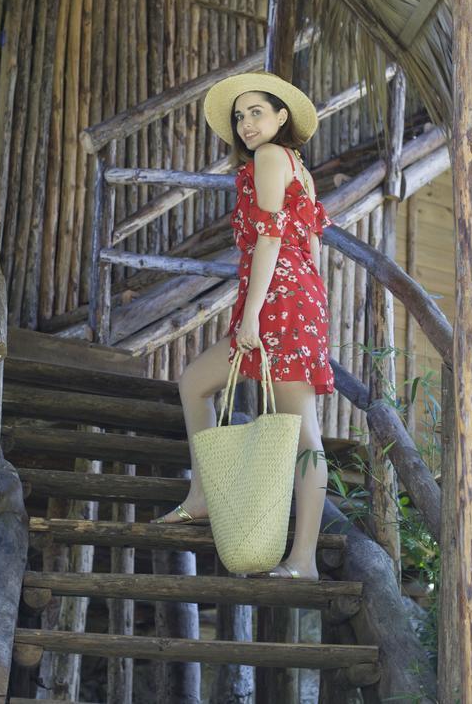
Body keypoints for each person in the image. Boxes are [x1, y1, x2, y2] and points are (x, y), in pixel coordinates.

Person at [151, 72, 334, 582]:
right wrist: (302, 308)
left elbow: (271, 239)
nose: (246, 123)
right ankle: (205, 492)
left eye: (257, 112)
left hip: (278, 299)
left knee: (304, 434)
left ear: (282, 118)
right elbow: (312, 247)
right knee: (195, 382)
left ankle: (303, 559)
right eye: (239, 116)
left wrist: (254, 312)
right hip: (293, 297)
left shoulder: (273, 158)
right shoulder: (298, 169)